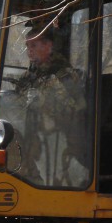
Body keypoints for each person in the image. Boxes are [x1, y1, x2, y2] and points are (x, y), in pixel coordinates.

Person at [9, 22, 88, 186]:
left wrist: (43, 101)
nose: (29, 50)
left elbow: (76, 112)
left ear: (48, 46)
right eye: (27, 46)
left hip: (60, 139)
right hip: (33, 135)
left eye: (34, 45)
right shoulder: (28, 76)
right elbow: (16, 104)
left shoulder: (64, 75)